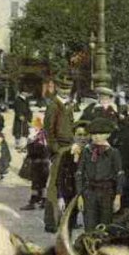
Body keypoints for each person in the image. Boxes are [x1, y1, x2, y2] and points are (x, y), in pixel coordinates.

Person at [75, 117, 125, 231]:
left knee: (105, 227)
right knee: (89, 226)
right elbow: (79, 174)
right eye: (93, 134)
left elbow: (120, 175)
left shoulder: (113, 153)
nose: (97, 137)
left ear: (107, 135)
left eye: (100, 134)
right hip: (89, 193)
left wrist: (118, 196)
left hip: (107, 193)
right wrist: (80, 196)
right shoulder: (86, 151)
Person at [42, 76, 76, 232]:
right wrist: (55, 149)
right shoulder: (53, 106)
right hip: (59, 149)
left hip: (69, 148)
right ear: (57, 89)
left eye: (68, 89)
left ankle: (67, 220)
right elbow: (48, 130)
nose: (65, 92)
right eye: (62, 89)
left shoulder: (68, 105)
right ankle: (51, 222)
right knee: (55, 185)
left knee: (67, 183)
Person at [19, 126, 51, 211]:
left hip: (37, 165)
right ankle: (44, 201)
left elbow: (32, 153)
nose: (30, 131)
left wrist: (29, 143)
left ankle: (32, 203)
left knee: (35, 185)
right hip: (45, 165)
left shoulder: (37, 141)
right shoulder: (45, 140)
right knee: (43, 184)